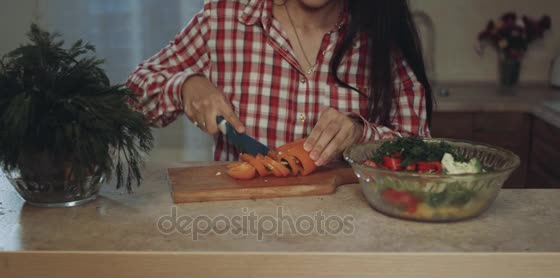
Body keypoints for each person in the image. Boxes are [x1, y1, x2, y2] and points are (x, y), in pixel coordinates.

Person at [126, 0, 433, 166]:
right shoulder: (223, 18)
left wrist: (360, 135)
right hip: (238, 232)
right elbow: (133, 97)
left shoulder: (382, 36)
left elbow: (419, 149)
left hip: (346, 241)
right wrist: (185, 86)